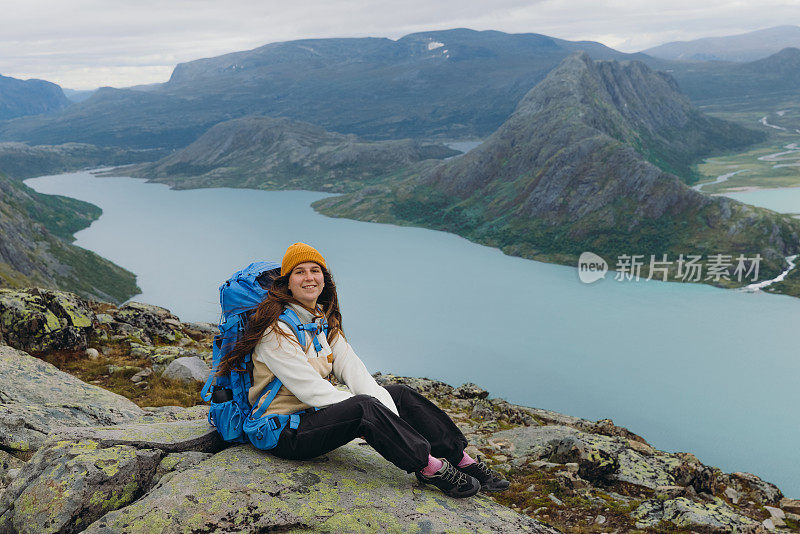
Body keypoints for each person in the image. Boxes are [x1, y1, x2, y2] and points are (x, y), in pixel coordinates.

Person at [218, 242, 509, 498]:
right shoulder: (276, 331)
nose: (309, 277)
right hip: (283, 433)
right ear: (287, 283)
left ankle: (459, 458)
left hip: (312, 419)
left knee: (399, 394)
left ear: (324, 278)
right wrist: (385, 420)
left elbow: (357, 375)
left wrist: (390, 412)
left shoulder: (322, 322)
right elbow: (314, 391)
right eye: (299, 272)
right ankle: (428, 466)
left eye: (315, 270)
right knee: (365, 408)